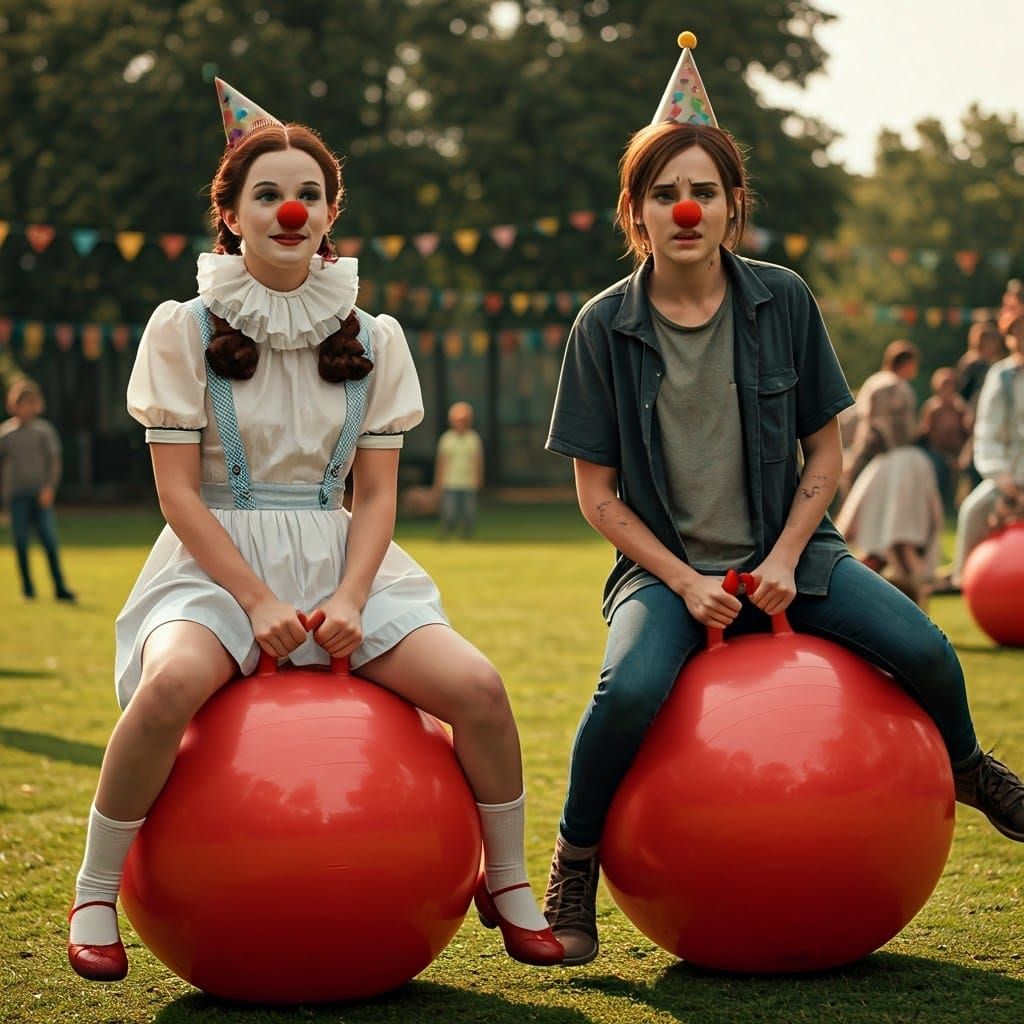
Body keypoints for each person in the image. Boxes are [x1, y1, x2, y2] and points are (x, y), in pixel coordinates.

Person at [540, 33, 1024, 967]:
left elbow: (827, 447)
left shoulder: (784, 300)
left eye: (706, 191)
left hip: (798, 551)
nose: (686, 207)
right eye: (663, 193)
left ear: (732, 208)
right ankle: (576, 862)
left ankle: (969, 769)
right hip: (665, 574)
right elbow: (597, 497)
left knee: (925, 643)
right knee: (626, 689)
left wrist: (787, 557)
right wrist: (684, 581)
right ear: (636, 212)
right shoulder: (602, 326)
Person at [66, 78, 562, 983]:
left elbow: (374, 498)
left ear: (331, 212)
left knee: (481, 690)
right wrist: (252, 599)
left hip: (344, 562)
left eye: (309, 194)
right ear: (232, 214)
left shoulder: (376, 335)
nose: (290, 208)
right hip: (214, 563)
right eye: (267, 193)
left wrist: (351, 595)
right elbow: (176, 494)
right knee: (171, 685)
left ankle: (510, 882)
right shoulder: (182, 328)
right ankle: (96, 890)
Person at [834, 342, 944, 608]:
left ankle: (869, 596)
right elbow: (883, 428)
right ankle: (915, 602)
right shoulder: (893, 386)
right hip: (895, 466)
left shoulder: (874, 382)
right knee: (898, 536)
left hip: (879, 463)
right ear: (905, 363)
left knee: (879, 536)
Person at [950, 314, 1024, 585]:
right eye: (1018, 332)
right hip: (1007, 477)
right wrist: (1002, 478)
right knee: (972, 511)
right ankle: (966, 581)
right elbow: (986, 432)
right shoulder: (1000, 375)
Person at [0, 379, 76, 602]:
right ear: (14, 405)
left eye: (29, 403)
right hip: (17, 496)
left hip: (39, 494)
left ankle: (60, 588)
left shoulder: (44, 431)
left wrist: (49, 488)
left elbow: (54, 461)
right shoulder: (6, 435)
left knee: (50, 542)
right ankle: (28, 589)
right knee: (21, 543)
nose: (26, 409)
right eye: (21, 404)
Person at [918, 366, 972, 515]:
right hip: (936, 452)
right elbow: (924, 433)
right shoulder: (932, 407)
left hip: (957, 453)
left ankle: (957, 506)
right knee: (936, 467)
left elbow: (968, 431)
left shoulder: (959, 407)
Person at [435, 400, 484, 538]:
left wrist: (478, 478)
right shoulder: (447, 439)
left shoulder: (473, 439)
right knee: (449, 511)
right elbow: (441, 462)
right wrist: (438, 482)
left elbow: (478, 461)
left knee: (468, 512)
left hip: (468, 482)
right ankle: (446, 532)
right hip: (450, 482)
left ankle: (467, 534)